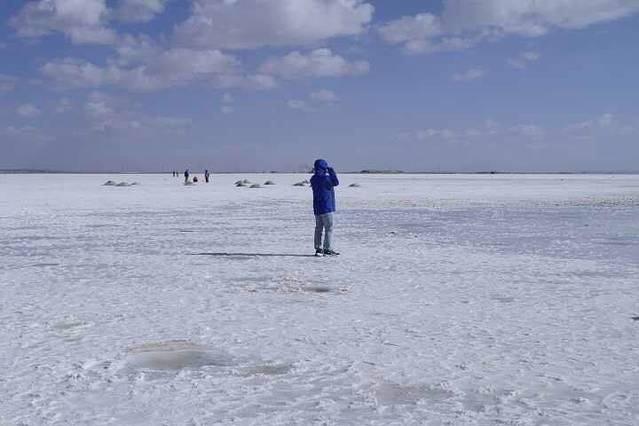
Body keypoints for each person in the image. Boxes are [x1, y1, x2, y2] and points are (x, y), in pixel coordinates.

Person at [310, 159, 339, 256]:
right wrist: (332, 172)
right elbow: (336, 182)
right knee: (329, 228)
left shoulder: (313, 179)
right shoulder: (326, 179)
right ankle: (327, 248)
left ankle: (318, 248)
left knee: (318, 228)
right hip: (327, 207)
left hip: (317, 208)